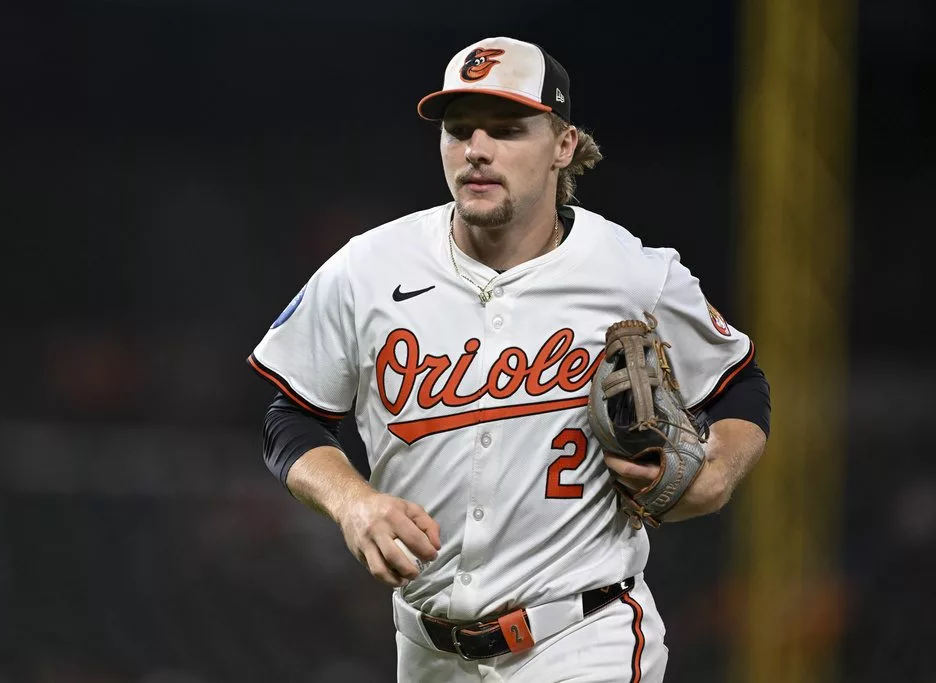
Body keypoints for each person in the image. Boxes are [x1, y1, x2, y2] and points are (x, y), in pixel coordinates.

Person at [248, 36, 770, 683]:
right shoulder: (368, 268)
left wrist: (721, 466)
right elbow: (289, 416)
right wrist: (353, 501)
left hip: (584, 632)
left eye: (507, 129)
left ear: (563, 145)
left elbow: (739, 382)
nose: (477, 150)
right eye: (458, 129)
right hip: (427, 649)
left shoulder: (633, 273)